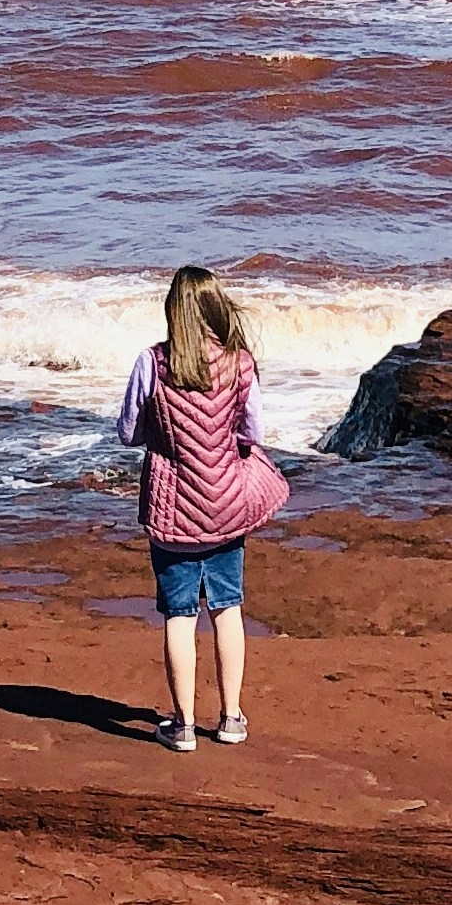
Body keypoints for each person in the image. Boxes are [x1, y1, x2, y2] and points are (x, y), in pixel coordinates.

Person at [115, 263, 288, 752]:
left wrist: (164, 437)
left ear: (174, 312)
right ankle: (231, 717)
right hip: (228, 503)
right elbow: (253, 432)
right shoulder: (239, 362)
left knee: (179, 614)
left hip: (172, 508)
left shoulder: (153, 362)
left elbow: (128, 431)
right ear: (215, 308)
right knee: (228, 608)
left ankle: (184, 724)